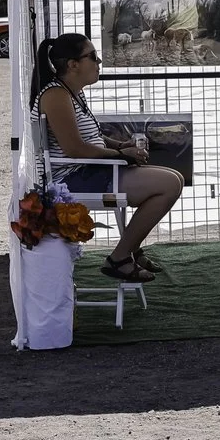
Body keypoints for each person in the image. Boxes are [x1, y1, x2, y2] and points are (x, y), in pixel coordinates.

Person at [31, 31, 184, 283]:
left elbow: (93, 136)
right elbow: (74, 149)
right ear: (73, 65)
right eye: (93, 56)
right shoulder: (56, 95)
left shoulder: (70, 91)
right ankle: (120, 258)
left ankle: (131, 249)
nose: (99, 62)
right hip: (73, 180)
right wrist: (121, 155)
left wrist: (121, 145)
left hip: (88, 171)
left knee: (175, 178)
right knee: (169, 185)